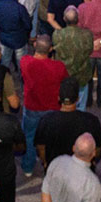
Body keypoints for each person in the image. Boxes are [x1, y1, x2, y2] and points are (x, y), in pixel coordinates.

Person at [19, 35, 69, 176]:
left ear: (35, 45)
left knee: (29, 137)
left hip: (32, 107)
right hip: (52, 108)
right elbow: (66, 80)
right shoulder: (58, 67)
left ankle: (28, 167)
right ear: (51, 49)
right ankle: (51, 165)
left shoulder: (25, 61)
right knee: (52, 139)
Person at [35, 77, 101, 170]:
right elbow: (99, 146)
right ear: (77, 99)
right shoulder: (91, 120)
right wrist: (92, 161)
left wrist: (45, 162)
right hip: (81, 171)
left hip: (56, 169)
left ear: (59, 98)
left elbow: (40, 147)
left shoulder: (46, 120)